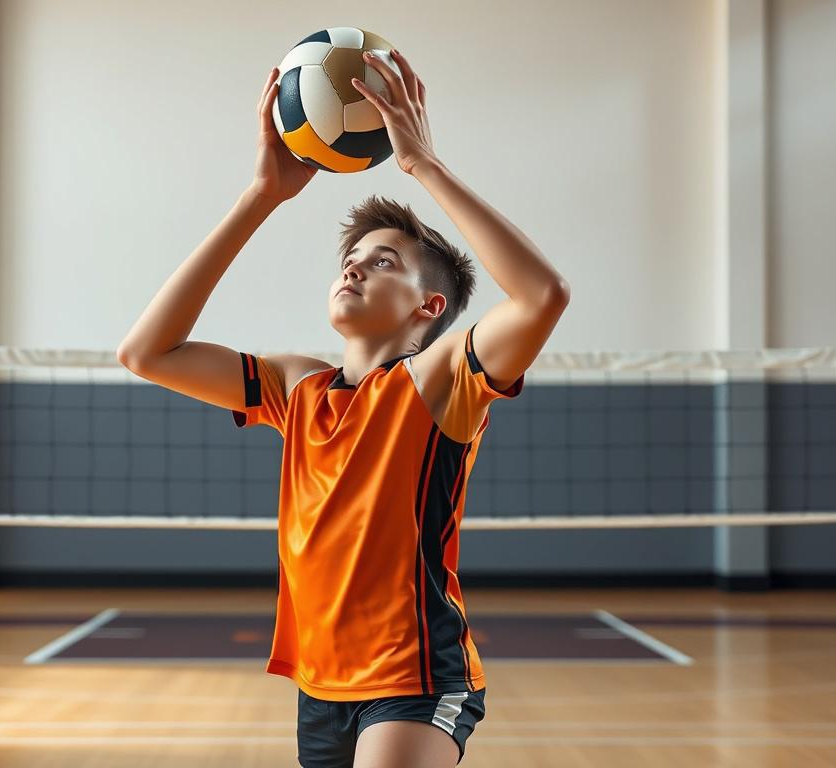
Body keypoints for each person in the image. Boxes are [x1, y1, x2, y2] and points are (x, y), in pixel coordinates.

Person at [117, 48, 570, 768]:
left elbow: (543, 297)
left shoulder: (439, 380)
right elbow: (145, 353)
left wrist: (422, 163)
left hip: (417, 678)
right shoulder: (297, 387)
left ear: (430, 307)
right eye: (350, 258)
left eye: (383, 260)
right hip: (320, 685)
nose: (355, 265)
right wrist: (261, 196)